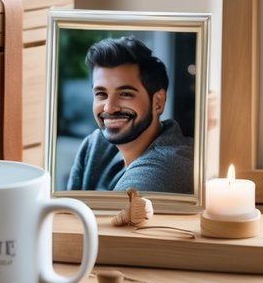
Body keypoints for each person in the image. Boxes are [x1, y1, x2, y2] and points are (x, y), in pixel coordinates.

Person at [66, 36, 193, 193]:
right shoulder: (94, 146)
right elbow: (68, 211)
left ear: (158, 101)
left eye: (125, 94)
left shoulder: (168, 166)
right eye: (101, 94)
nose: (109, 108)